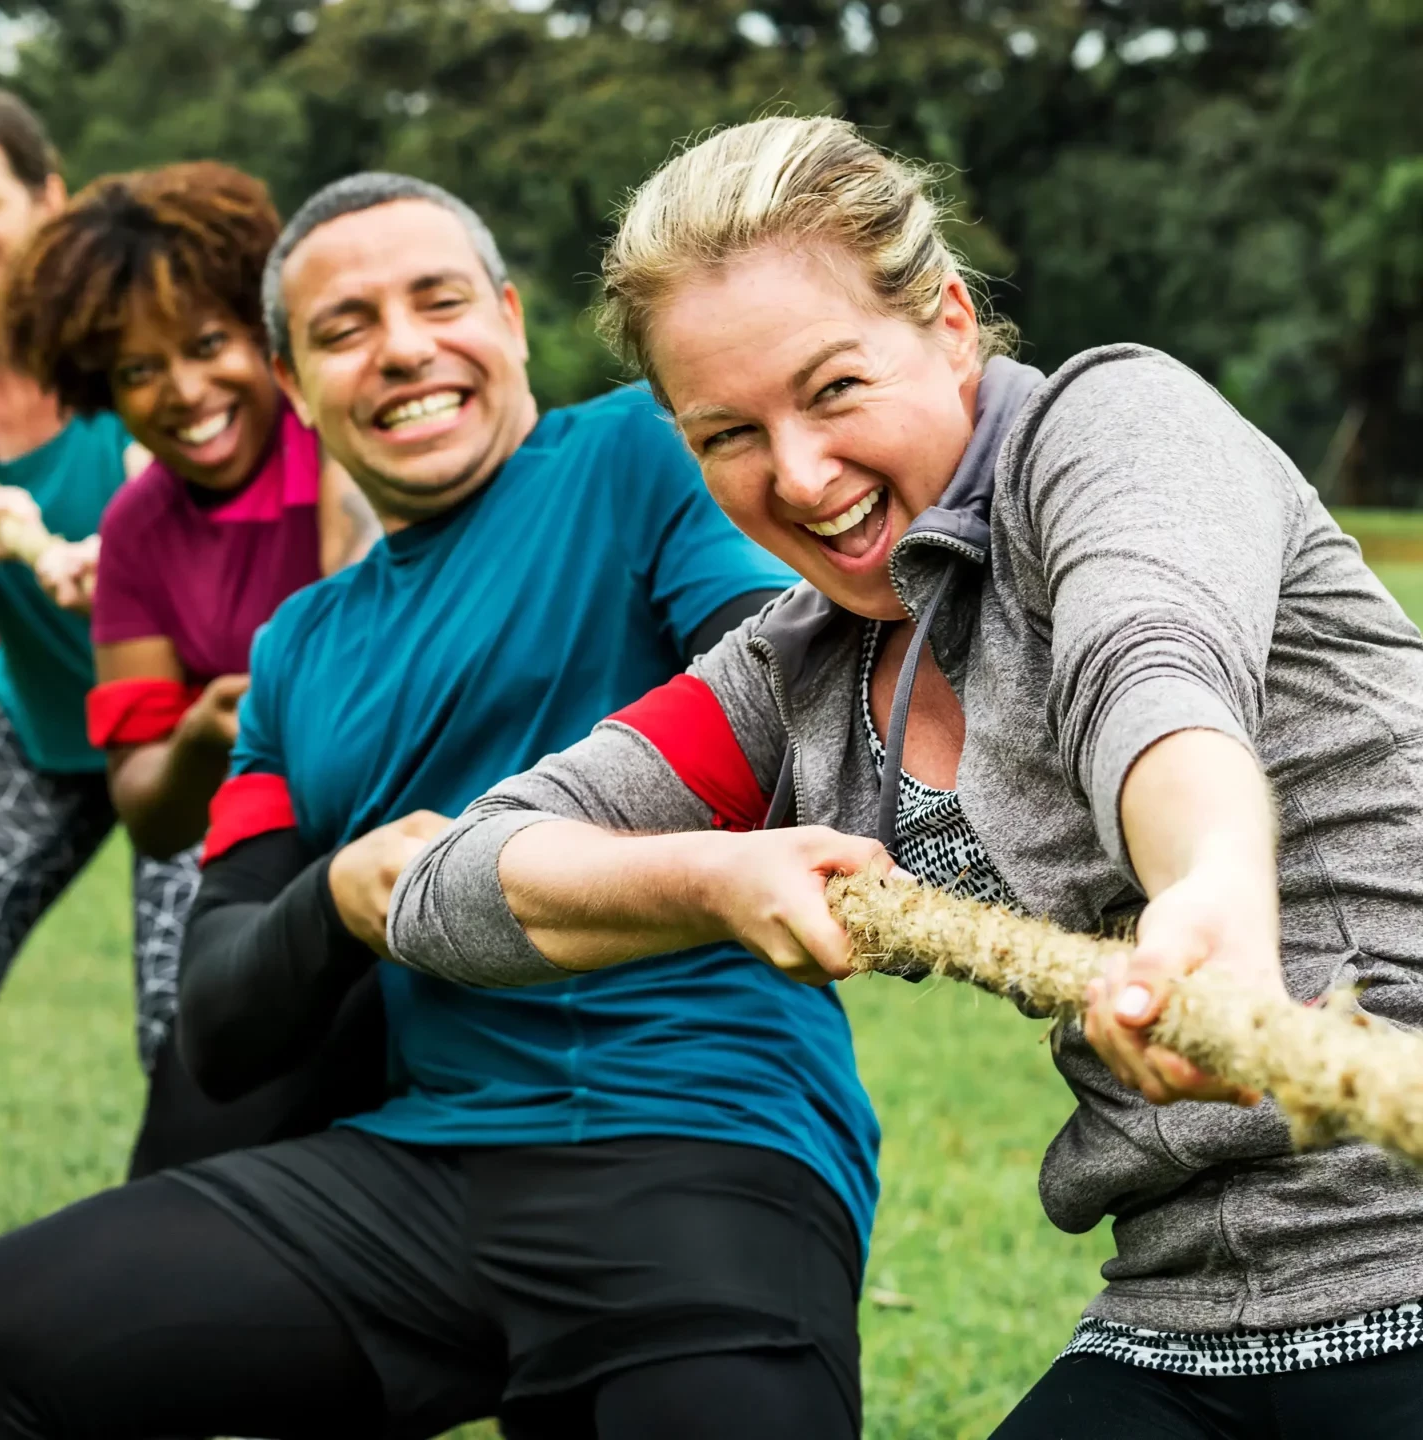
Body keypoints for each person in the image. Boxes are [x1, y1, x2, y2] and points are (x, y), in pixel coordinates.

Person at [383, 116, 1423, 1440]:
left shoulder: (1116, 430)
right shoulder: (795, 676)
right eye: (728, 434)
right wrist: (717, 874)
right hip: (1185, 1321)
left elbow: (1150, 673)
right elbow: (452, 887)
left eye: (832, 390)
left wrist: (1209, 884)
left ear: (947, 323)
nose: (800, 476)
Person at [0, 171, 877, 1440]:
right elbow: (224, 1019)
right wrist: (341, 897)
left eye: (439, 302)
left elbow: (788, 705)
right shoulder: (296, 650)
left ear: (509, 321)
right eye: (345, 328)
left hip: (698, 1143)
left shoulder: (639, 453)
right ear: (297, 388)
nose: (404, 349)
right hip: (418, 1178)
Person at [0, 160, 382, 1171]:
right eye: (136, 371)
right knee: (192, 1060)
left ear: (267, 337)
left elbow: (369, 606)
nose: (183, 392)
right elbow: (148, 808)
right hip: (255, 828)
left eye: (209, 345)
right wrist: (205, 735)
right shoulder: (138, 533)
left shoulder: (336, 440)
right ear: (99, 387)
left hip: (404, 825)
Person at [0, 87, 188, 1205]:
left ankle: (191, 1281)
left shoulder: (124, 349)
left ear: (46, 201)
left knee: (188, 1020)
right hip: (36, 722)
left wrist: (135, 566)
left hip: (192, 726)